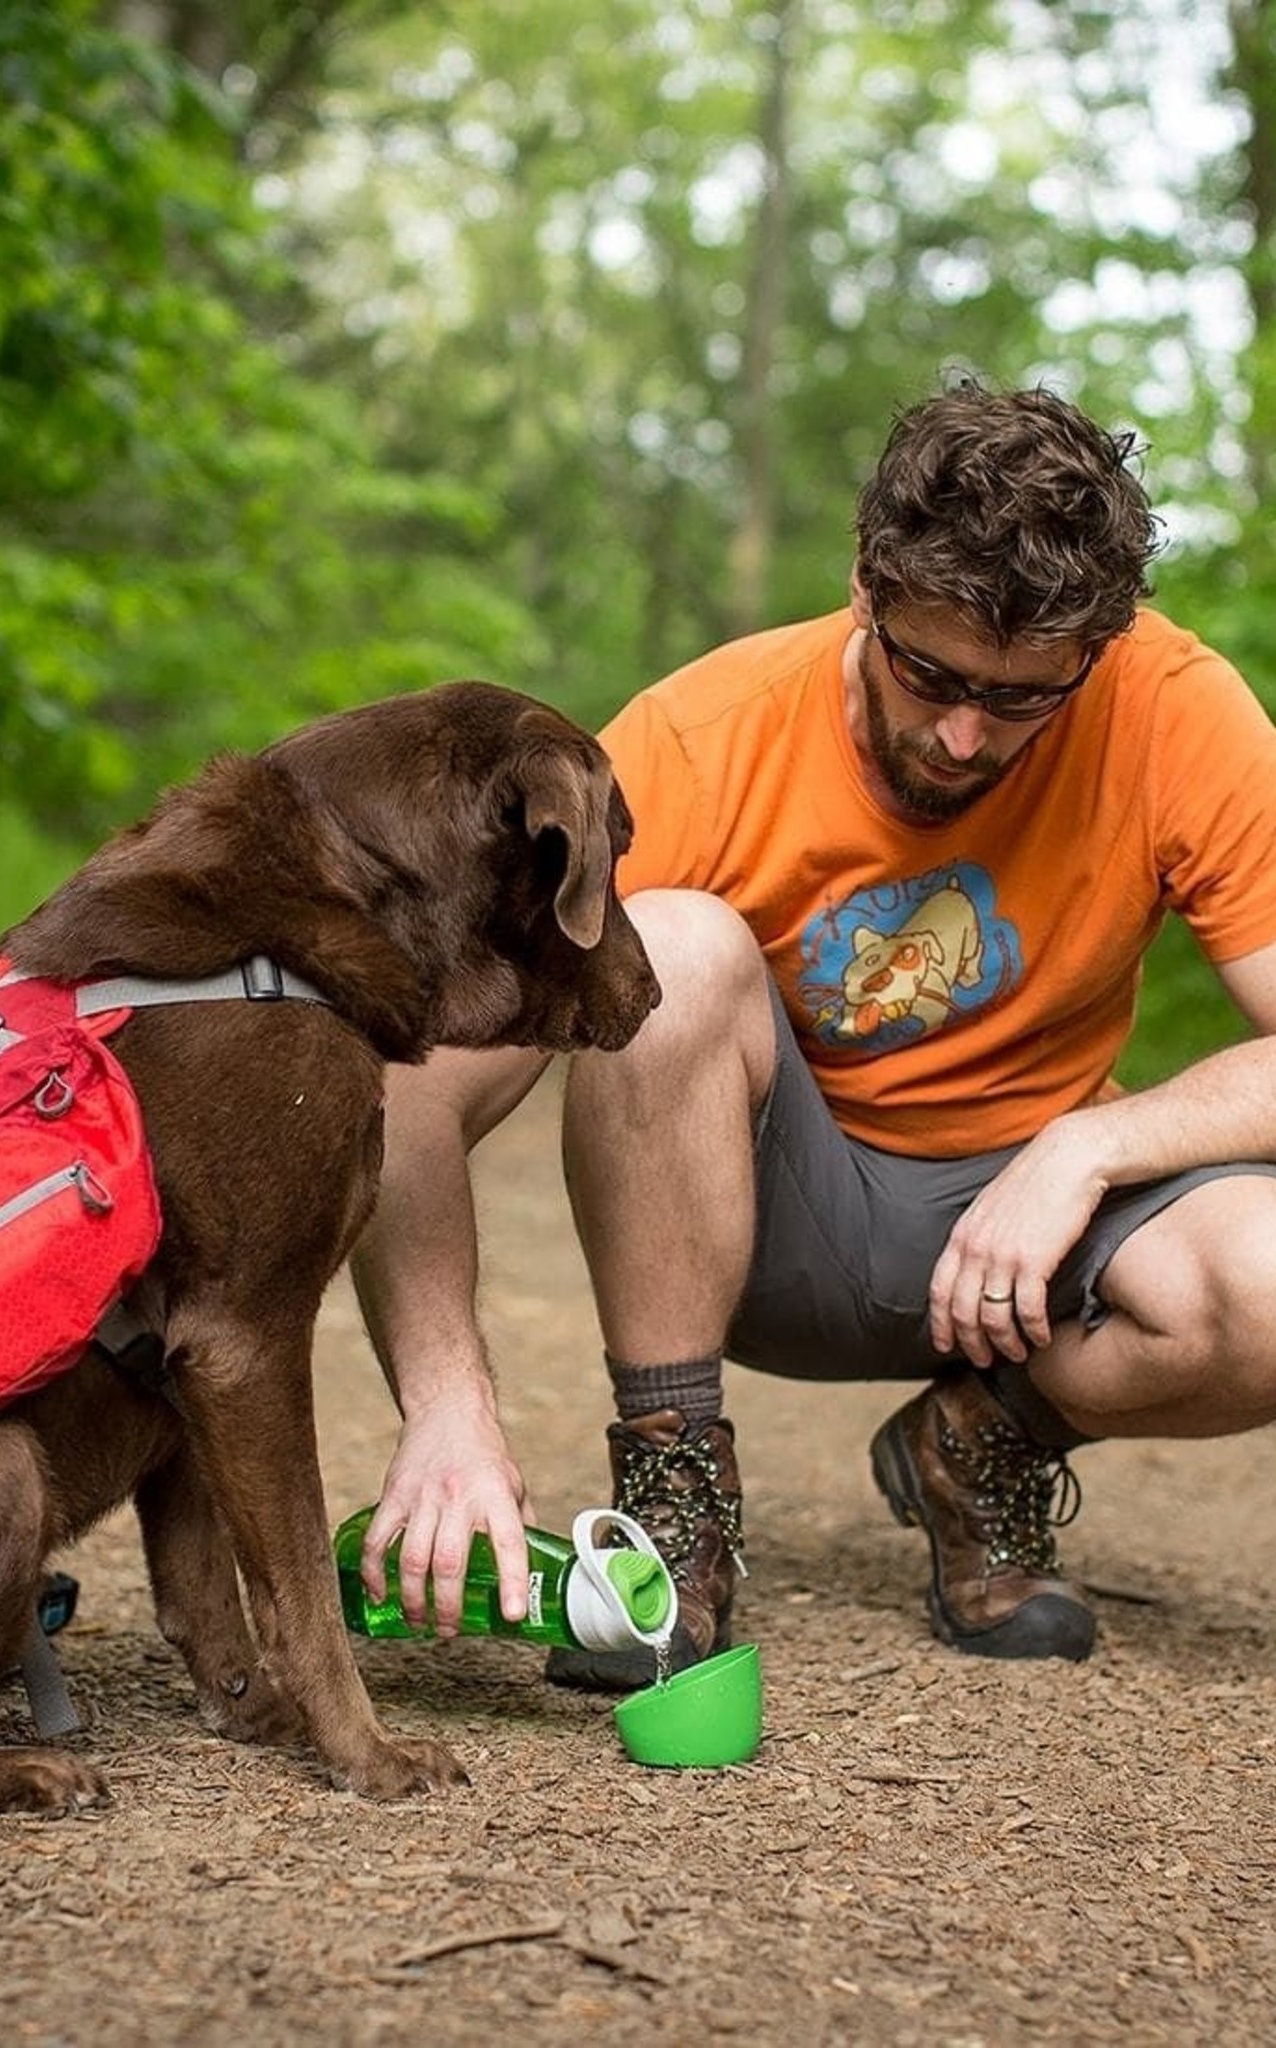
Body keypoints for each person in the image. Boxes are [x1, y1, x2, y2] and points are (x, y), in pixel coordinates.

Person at [348, 380, 1276, 1689]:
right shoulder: (701, 739)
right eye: (930, 674)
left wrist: (1089, 1146)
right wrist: (447, 1411)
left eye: (1021, 699)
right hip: (786, 1221)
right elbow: (416, 1084)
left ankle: (984, 1442)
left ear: (1097, 649)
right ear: (864, 584)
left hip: (1035, 1238)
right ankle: (678, 1492)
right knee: (667, 941)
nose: (964, 735)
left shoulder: (1173, 708)